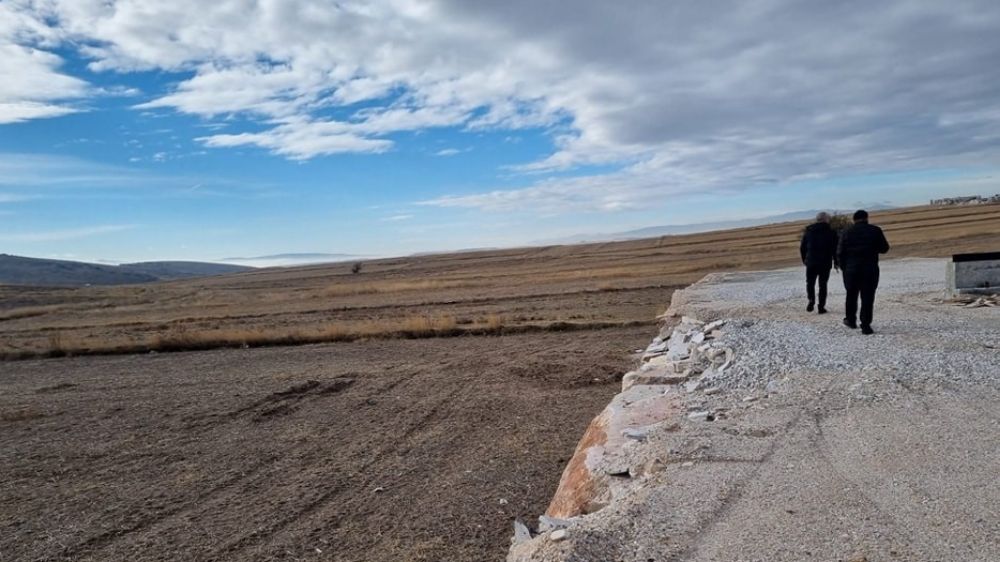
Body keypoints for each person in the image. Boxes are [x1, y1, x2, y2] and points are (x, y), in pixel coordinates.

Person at [837, 209, 890, 334]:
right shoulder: (875, 230)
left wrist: (844, 268)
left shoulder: (845, 232)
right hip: (869, 269)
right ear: (867, 218)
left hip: (851, 270)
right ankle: (866, 325)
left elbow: (839, 253)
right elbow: (884, 249)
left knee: (851, 295)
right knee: (868, 297)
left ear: (854, 220)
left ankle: (850, 320)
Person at [799, 212, 839, 313]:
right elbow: (835, 249)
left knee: (810, 283)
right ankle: (821, 306)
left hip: (811, 261)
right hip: (825, 262)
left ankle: (811, 300)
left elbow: (802, 247)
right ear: (826, 220)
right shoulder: (831, 232)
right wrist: (836, 262)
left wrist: (805, 259)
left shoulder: (809, 231)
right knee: (823, 285)